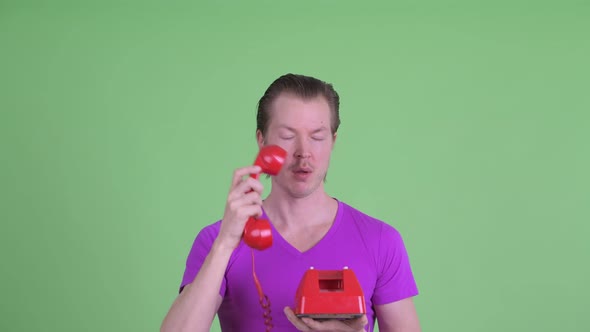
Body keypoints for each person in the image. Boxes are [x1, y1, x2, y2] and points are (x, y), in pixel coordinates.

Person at [160, 73, 421, 332]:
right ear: (262, 141)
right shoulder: (216, 240)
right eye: (287, 136)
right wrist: (225, 244)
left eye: (317, 137)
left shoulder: (381, 241)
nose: (303, 152)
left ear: (333, 142)